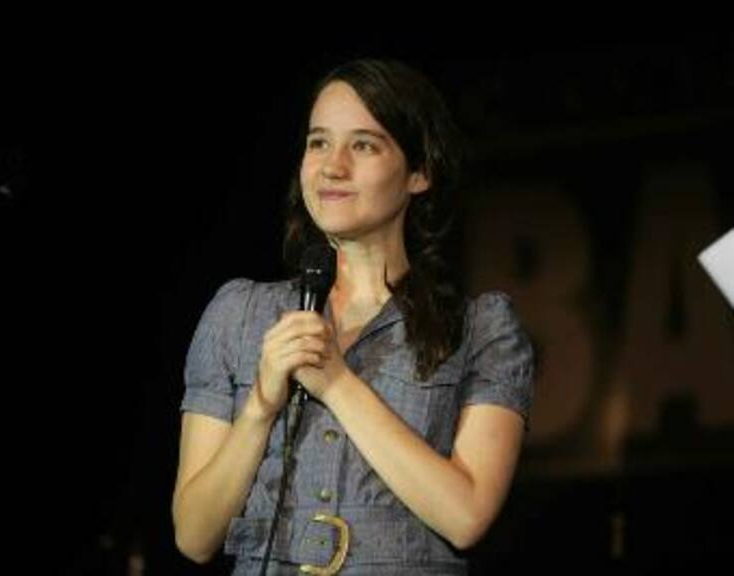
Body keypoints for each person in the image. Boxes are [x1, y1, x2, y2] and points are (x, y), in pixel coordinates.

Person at [172, 58, 534, 575]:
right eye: (318, 142)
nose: (332, 166)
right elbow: (193, 535)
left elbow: (466, 516)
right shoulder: (239, 313)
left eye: (363, 145)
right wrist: (260, 408)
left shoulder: (482, 328)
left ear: (419, 172)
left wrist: (338, 383)